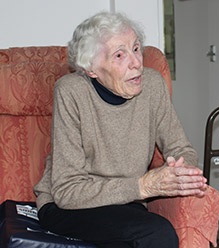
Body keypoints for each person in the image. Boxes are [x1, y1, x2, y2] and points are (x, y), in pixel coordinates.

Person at [34, 11, 207, 248]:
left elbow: (181, 148)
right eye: (119, 55)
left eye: (136, 49)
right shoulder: (71, 91)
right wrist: (143, 186)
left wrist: (180, 169)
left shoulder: (153, 84)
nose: (136, 62)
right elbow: (67, 191)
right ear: (91, 69)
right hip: (68, 206)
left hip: (127, 202)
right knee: (157, 234)